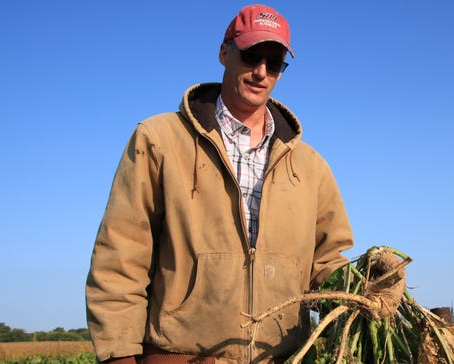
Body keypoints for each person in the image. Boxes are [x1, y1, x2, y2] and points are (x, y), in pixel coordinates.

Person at [85, 4, 354, 363]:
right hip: (180, 356)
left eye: (274, 63)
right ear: (225, 53)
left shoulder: (310, 166)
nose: (261, 72)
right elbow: (121, 254)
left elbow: (327, 262)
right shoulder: (159, 139)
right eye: (251, 55)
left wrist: (368, 285)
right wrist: (118, 354)